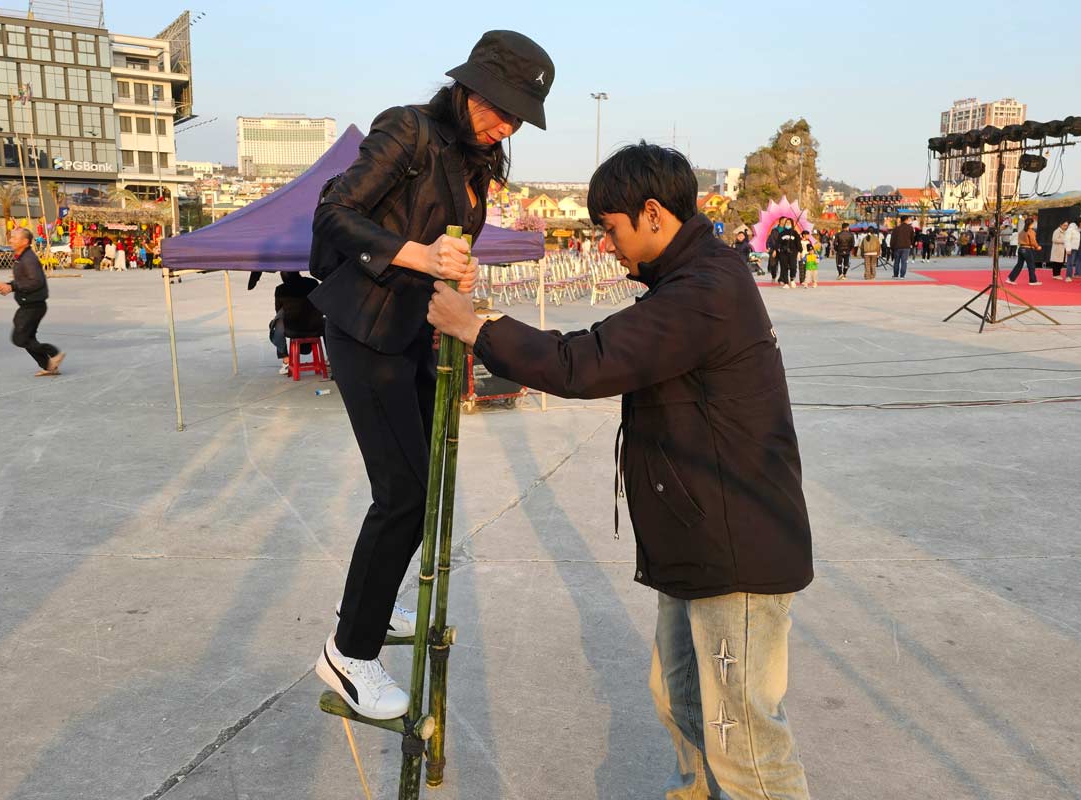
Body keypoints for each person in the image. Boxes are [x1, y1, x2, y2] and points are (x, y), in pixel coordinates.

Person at [426, 141, 813, 800]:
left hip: (736, 551)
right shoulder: (690, 282)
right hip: (701, 544)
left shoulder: (704, 291)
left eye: (611, 227)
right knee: (685, 710)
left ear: (654, 214)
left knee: (743, 739)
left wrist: (478, 329)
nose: (605, 244)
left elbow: (589, 360)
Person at [307, 30, 554, 720]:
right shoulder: (408, 130)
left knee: (421, 491)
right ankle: (348, 655)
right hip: (365, 329)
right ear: (467, 86)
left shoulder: (478, 160)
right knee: (405, 495)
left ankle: (368, 605)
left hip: (416, 332)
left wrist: (459, 266)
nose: (503, 122)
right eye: (497, 106)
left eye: (516, 116)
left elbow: (449, 244)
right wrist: (416, 256)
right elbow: (333, 211)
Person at [0, 228, 65, 376]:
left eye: (14, 237)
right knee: (28, 338)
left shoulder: (29, 259)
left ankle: (54, 353)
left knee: (19, 338)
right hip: (30, 304)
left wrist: (12, 286)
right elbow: (24, 280)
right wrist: (9, 286)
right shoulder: (22, 257)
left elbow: (36, 281)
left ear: (25, 242)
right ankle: (49, 366)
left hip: (33, 305)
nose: (11, 240)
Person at [1007, 218, 1042, 285]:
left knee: (1019, 265)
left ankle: (1011, 278)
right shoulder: (1031, 231)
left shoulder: (1022, 231)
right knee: (1031, 265)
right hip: (1027, 249)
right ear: (1031, 224)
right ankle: (1033, 281)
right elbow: (1033, 242)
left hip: (1021, 248)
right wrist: (1037, 247)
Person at [775, 218, 802, 288]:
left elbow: (798, 243)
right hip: (783, 253)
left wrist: (800, 251)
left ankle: (792, 279)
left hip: (793, 252)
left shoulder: (795, 233)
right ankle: (786, 282)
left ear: (792, 223)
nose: (788, 223)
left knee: (793, 266)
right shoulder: (781, 233)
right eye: (787, 222)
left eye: (789, 222)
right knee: (784, 267)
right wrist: (778, 249)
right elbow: (777, 243)